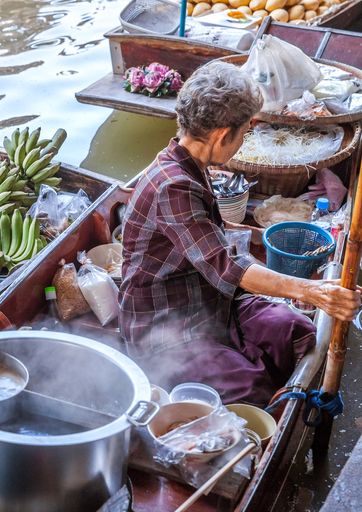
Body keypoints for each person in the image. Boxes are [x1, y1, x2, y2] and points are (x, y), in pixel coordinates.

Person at [119, 61, 360, 407]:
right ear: (221, 135)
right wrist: (313, 290)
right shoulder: (173, 185)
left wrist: (268, 245)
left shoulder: (189, 163)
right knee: (254, 390)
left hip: (212, 300)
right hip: (168, 330)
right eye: (245, 132)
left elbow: (212, 237)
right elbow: (228, 267)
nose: (244, 141)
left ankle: (254, 367)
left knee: (297, 333)